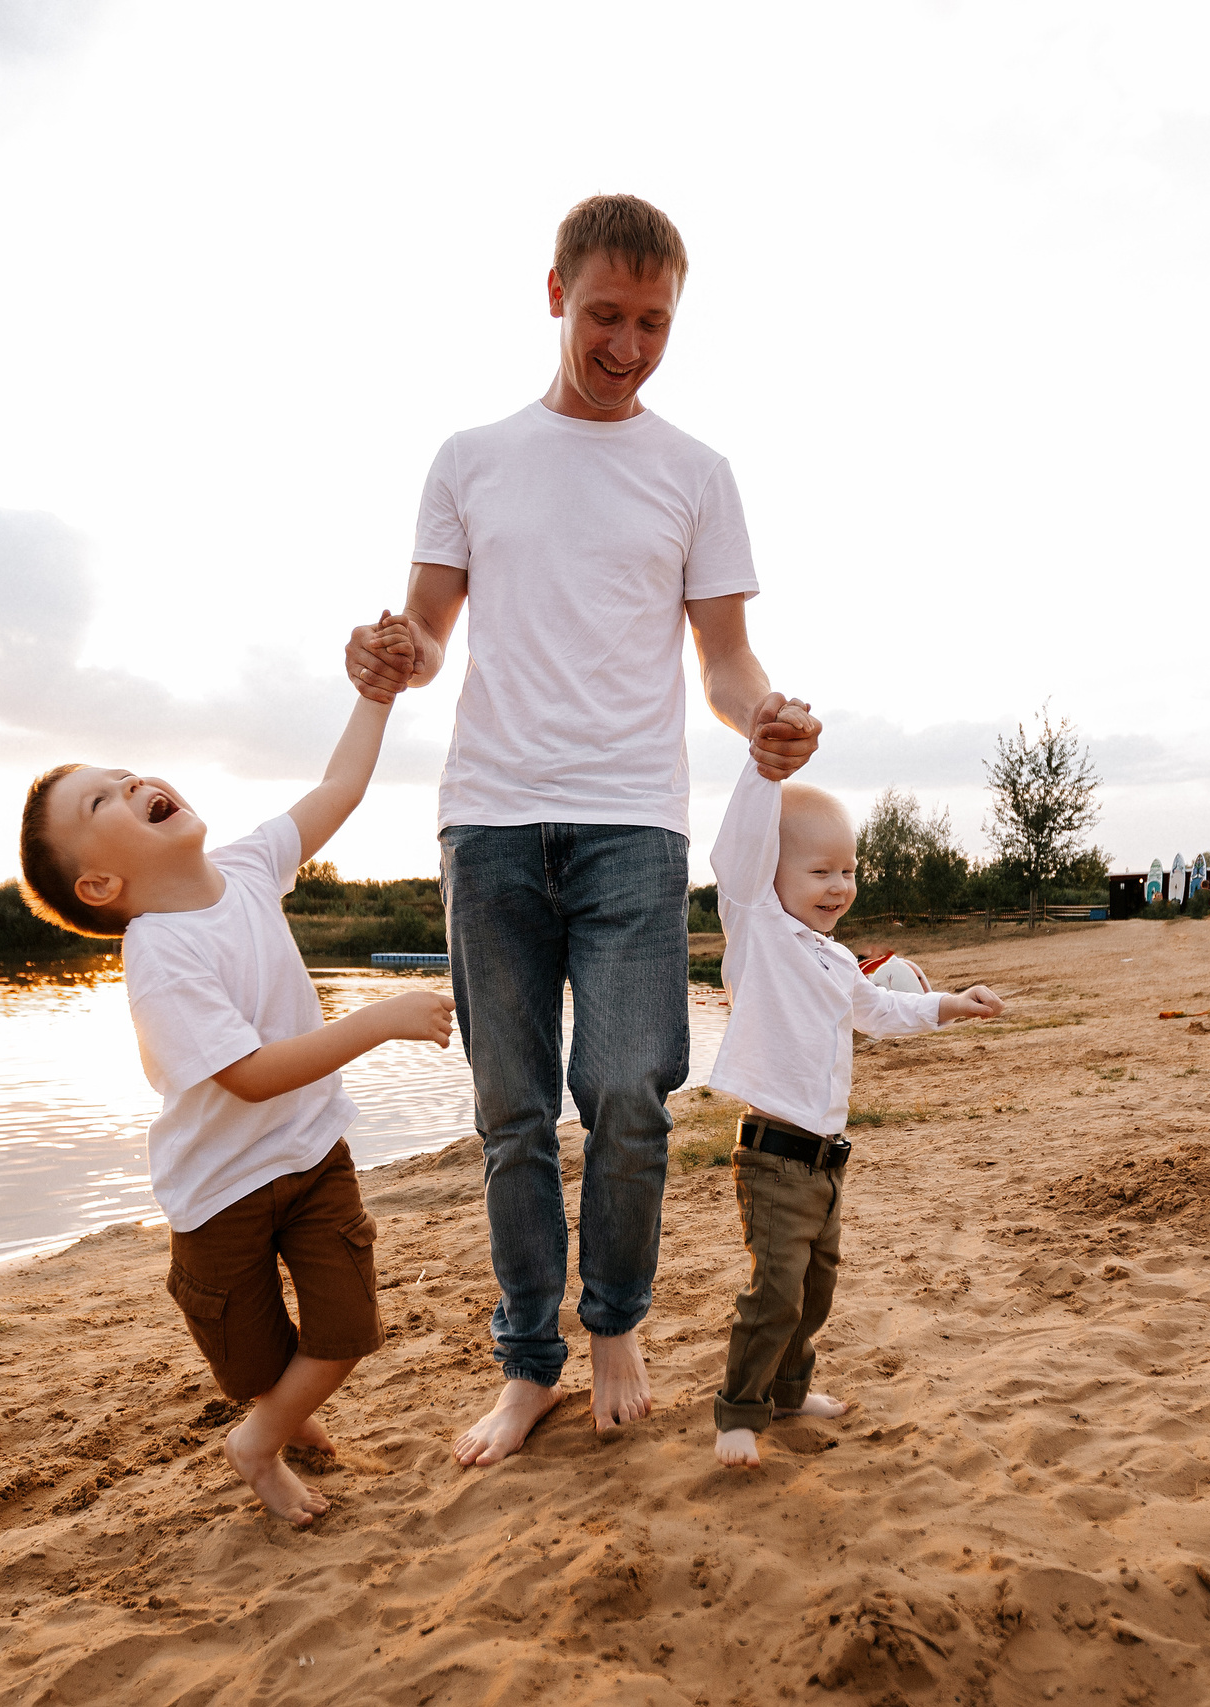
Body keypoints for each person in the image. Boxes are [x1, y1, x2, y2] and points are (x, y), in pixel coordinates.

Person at [348, 193, 820, 1466]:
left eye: (653, 323)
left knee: (626, 1090)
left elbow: (723, 660)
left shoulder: (695, 474)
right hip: (490, 823)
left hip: (631, 827)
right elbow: (431, 635)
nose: (627, 345)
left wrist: (757, 718)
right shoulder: (469, 458)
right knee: (511, 1112)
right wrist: (396, 651)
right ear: (553, 293)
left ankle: (613, 1324)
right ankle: (526, 1363)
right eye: (606, 316)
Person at [15, 688, 454, 1524]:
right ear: (102, 881)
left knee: (347, 1325)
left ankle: (257, 1443)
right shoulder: (161, 955)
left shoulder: (251, 865)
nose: (131, 782)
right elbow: (249, 1074)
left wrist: (374, 694)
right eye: (101, 799)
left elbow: (342, 788)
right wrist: (379, 1020)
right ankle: (279, 1410)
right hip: (220, 1190)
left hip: (312, 1153)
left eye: (124, 773)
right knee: (252, 1360)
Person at [703, 753, 1004, 1467]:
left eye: (849, 870)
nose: (839, 885)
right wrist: (763, 767)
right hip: (774, 1154)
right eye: (820, 871)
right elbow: (735, 849)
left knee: (813, 1291)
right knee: (773, 1290)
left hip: (826, 1162)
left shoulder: (836, 959)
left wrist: (950, 1004)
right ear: (770, 874)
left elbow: (882, 1008)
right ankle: (739, 1413)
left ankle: (787, 1389)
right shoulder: (759, 930)